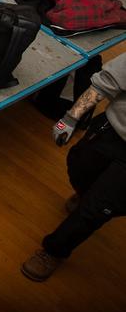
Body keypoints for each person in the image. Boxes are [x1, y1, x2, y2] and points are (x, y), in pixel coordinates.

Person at [21, 53, 126, 280]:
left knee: (96, 210)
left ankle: (52, 252)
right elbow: (105, 82)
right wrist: (69, 119)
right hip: (111, 131)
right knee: (78, 166)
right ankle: (85, 192)